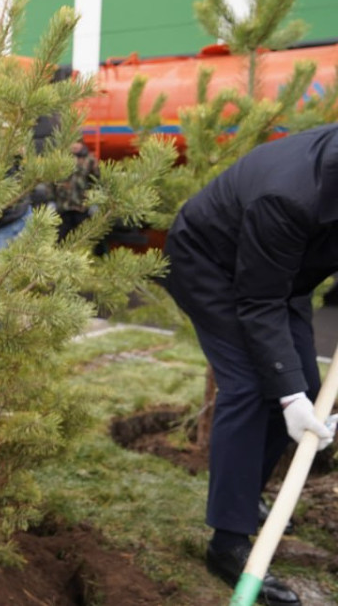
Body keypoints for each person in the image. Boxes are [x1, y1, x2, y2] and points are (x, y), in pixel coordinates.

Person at [163, 123, 338, 606]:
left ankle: (246, 497)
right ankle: (228, 544)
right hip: (211, 264)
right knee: (253, 386)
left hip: (281, 275)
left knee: (303, 385)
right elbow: (259, 303)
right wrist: (287, 394)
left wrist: (294, 391)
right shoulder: (289, 196)